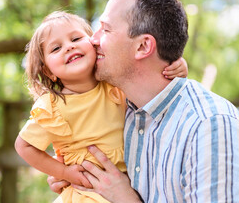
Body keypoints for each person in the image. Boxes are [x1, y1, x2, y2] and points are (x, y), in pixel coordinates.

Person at [48, 0, 239, 202]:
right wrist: (70, 175)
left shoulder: (210, 125)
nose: (92, 40)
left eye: (105, 29)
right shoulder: (119, 108)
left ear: (143, 46)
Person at [14, 11, 188, 203]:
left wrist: (177, 67)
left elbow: (150, 78)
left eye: (76, 38)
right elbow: (24, 146)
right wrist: (64, 172)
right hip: (86, 193)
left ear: (94, 44)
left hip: (130, 187)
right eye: (56, 49)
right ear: (48, 71)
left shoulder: (114, 84)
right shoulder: (53, 107)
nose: (69, 47)